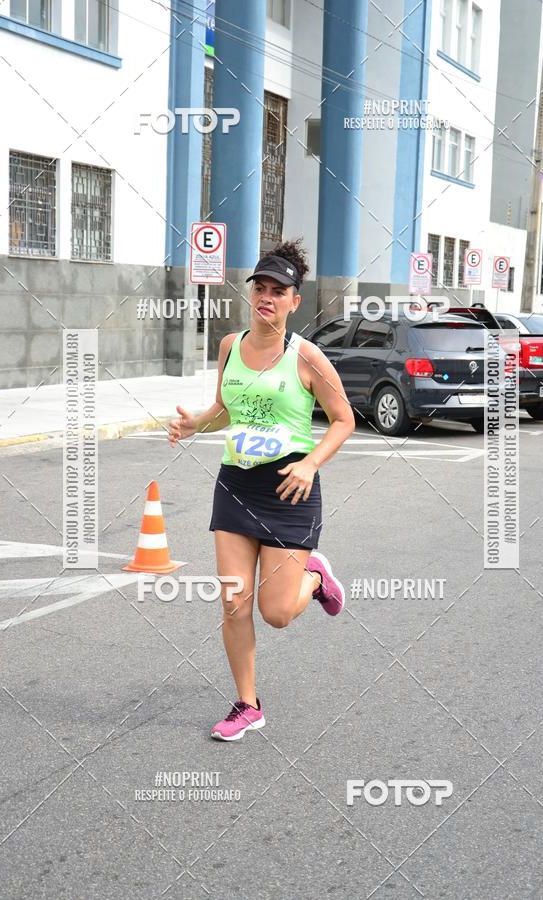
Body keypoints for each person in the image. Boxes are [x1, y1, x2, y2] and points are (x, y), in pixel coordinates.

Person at [168, 238, 355, 741]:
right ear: (251, 293)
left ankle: (314, 577)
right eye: (261, 288)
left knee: (276, 614)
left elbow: (343, 420)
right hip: (235, 484)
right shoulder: (230, 346)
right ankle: (247, 704)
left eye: (279, 291)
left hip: (289, 487)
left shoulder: (307, 357)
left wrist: (311, 464)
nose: (267, 298)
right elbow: (226, 410)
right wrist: (195, 427)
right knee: (234, 601)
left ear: (296, 301)